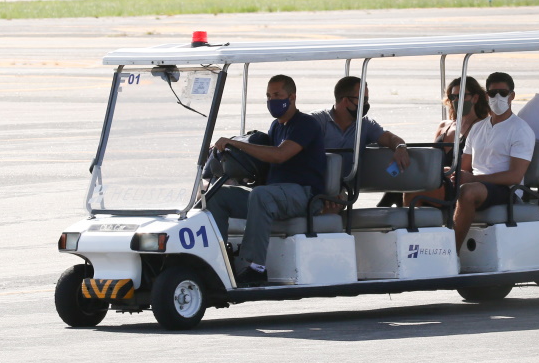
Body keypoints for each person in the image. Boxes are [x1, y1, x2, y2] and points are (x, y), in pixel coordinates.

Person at [206, 74, 327, 287]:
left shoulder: (306, 124)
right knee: (218, 195)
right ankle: (217, 261)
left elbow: (280, 155)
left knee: (261, 195)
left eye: (277, 95)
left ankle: (254, 267)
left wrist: (238, 145)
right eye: (269, 96)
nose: (272, 100)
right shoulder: (276, 126)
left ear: (292, 97)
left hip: (305, 195)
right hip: (276, 195)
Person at [452, 72, 535, 251]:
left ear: (512, 96)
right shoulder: (478, 127)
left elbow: (514, 176)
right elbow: (465, 167)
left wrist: (473, 179)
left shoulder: (520, 129)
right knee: (427, 188)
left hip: (506, 190)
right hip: (479, 185)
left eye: (503, 93)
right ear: (486, 96)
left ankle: (453, 252)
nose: (498, 97)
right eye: (492, 93)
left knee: (467, 191)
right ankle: (423, 249)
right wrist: (451, 174)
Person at [310, 76, 411, 210]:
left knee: (333, 205)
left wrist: (400, 148)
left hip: (339, 188)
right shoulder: (316, 122)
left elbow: (391, 138)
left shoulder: (366, 125)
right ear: (346, 100)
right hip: (310, 183)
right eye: (363, 100)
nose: (366, 104)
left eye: (367, 100)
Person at [399, 76, 489, 208]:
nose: (456, 100)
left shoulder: (481, 128)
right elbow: (431, 159)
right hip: (436, 179)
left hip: (456, 183)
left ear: (475, 98)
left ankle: (413, 226)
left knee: (412, 192)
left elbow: (467, 169)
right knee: (395, 184)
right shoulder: (444, 126)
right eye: (453, 97)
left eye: (461, 96)